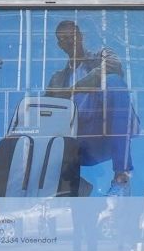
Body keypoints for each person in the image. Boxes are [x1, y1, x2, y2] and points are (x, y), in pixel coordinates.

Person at [49, 19, 137, 191]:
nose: (69, 41)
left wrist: (74, 90)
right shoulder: (57, 78)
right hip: (73, 141)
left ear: (80, 36)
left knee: (114, 81)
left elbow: (114, 66)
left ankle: (121, 177)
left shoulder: (101, 55)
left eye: (72, 36)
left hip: (101, 132)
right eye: (63, 39)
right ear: (59, 45)